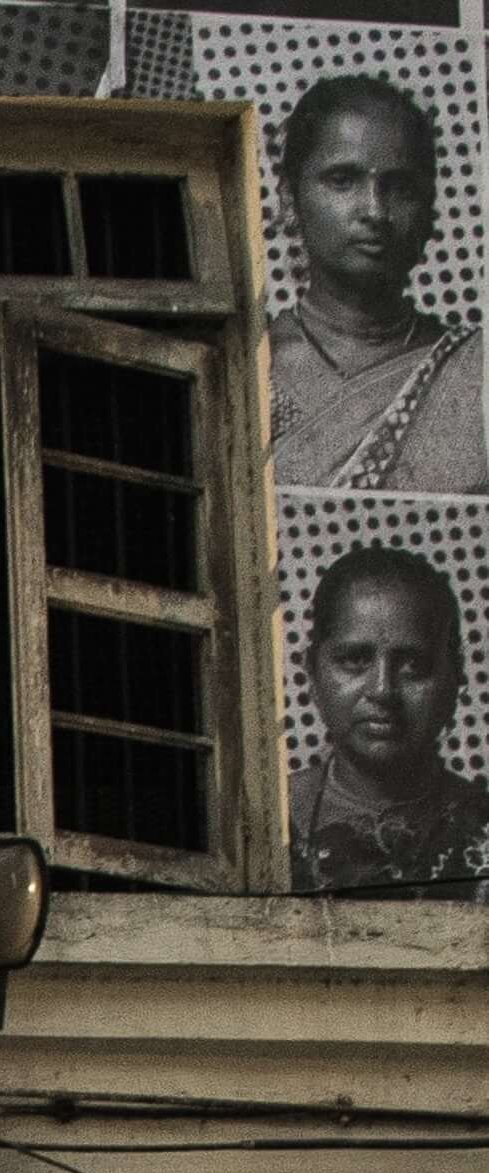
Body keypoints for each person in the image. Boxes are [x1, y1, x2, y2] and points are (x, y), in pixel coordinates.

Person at [267, 76, 485, 496]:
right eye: (342, 180)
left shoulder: (476, 371)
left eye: (400, 187)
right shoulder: (249, 366)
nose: (374, 210)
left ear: (430, 212)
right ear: (289, 202)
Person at [290, 543, 489, 896]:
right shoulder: (268, 824)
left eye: (413, 664)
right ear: (313, 673)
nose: (382, 690)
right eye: (354, 659)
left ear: (455, 677)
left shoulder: (483, 825)